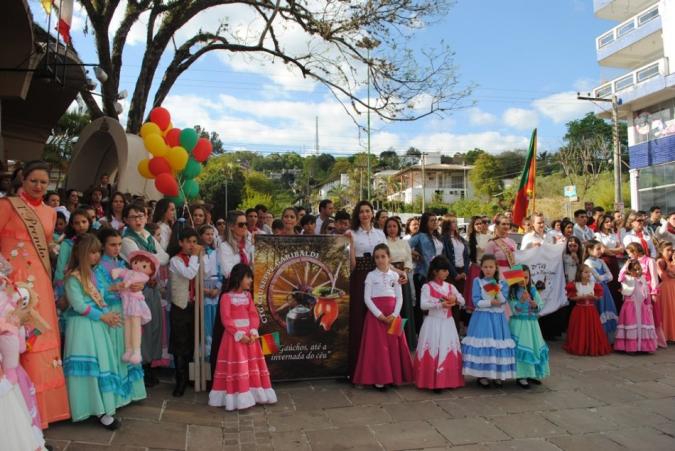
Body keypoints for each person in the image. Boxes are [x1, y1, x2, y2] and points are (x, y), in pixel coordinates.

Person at [1, 161, 71, 428]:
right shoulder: (7, 206)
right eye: (34, 181)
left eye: (44, 182)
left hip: (39, 282)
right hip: (12, 282)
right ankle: (14, 414)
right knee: (13, 337)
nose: (39, 186)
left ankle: (41, 413)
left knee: (39, 336)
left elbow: (46, 244)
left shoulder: (50, 212)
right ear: (23, 180)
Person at [63, 234, 124, 428]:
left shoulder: (94, 274)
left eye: (98, 252)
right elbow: (79, 305)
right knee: (89, 366)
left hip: (96, 325)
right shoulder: (72, 277)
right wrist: (103, 316)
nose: (97, 256)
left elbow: (101, 296)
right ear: (81, 253)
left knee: (101, 364)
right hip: (81, 327)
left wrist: (108, 314)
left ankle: (104, 408)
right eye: (92, 252)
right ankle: (90, 408)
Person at [209, 263, 277, 410]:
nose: (251, 280)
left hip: (250, 338)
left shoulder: (248, 296)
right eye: (248, 277)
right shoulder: (226, 297)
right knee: (238, 366)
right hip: (234, 339)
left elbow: (253, 315)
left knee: (250, 366)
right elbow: (226, 319)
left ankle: (253, 394)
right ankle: (236, 397)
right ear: (239, 278)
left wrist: (253, 331)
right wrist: (239, 335)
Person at [94, 228, 147, 407]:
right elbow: (97, 291)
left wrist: (138, 286)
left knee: (127, 345)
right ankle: (117, 396)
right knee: (115, 349)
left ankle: (131, 392)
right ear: (103, 245)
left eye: (119, 244)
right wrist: (115, 288)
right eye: (112, 245)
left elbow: (135, 280)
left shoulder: (122, 263)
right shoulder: (99, 266)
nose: (117, 248)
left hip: (126, 308)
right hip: (111, 310)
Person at [121, 203, 170, 387]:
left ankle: (149, 365)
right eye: (133, 217)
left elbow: (164, 257)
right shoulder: (127, 240)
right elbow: (141, 262)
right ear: (126, 220)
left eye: (141, 216)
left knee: (154, 325)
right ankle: (140, 368)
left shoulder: (148, 236)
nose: (138, 220)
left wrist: (151, 260)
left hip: (152, 287)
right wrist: (152, 259)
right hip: (137, 290)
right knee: (141, 328)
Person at [352, 243, 413, 390]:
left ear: (389, 258)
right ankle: (379, 379)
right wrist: (379, 315)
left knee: (395, 345)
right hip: (375, 317)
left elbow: (400, 297)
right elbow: (367, 298)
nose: (380, 260)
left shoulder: (395, 275)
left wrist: (395, 314)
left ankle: (394, 377)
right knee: (378, 347)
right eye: (377, 257)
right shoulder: (371, 276)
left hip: (394, 316)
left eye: (383, 256)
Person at [461, 254, 515, 388]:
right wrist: (490, 302)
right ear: (481, 268)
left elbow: (504, 301)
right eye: (485, 267)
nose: (488, 269)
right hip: (482, 318)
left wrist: (497, 291)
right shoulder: (477, 281)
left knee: (497, 345)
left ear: (496, 268)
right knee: (484, 344)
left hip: (498, 319)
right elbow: (476, 301)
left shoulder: (502, 283)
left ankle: (497, 374)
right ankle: (483, 374)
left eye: (491, 267)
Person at [345, 200, 386, 377]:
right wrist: (351, 244)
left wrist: (399, 273)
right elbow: (351, 264)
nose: (365, 214)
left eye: (367, 211)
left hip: (379, 277)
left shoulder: (380, 233)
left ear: (372, 213)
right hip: (359, 278)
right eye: (361, 211)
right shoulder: (351, 233)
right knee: (359, 318)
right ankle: (357, 368)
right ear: (357, 214)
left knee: (378, 317)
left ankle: (380, 366)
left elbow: (386, 260)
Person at [212, 211, 253, 379]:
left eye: (246, 224)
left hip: (246, 293)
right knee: (228, 332)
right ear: (231, 226)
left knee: (247, 330)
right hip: (231, 293)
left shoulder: (247, 244)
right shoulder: (224, 246)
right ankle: (226, 376)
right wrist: (246, 272)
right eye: (241, 224)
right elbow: (228, 271)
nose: (245, 227)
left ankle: (247, 374)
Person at [414, 256, 465, 392]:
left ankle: (447, 380)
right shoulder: (427, 286)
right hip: (433, 323)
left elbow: (462, 300)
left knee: (446, 348)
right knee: (434, 348)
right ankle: (433, 381)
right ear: (435, 271)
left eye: (447, 270)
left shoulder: (450, 286)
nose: (447, 273)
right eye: (444, 270)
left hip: (448, 323)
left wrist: (455, 298)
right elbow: (423, 305)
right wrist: (440, 304)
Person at [168, 227, 201, 397]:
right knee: (179, 343)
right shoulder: (175, 260)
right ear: (181, 243)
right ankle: (180, 380)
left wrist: (199, 257)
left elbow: (205, 273)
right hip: (179, 306)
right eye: (189, 242)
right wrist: (195, 256)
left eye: (195, 242)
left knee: (191, 342)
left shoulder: (196, 258)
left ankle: (189, 376)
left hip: (193, 306)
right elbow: (189, 274)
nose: (192, 245)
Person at [112, 251, 158, 364]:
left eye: (144, 266)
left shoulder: (142, 276)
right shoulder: (129, 271)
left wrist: (126, 283)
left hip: (135, 303)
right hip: (126, 302)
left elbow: (133, 280)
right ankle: (128, 350)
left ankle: (136, 351)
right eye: (136, 263)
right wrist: (116, 272)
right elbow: (122, 272)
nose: (138, 266)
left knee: (135, 327)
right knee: (127, 327)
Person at [507, 265, 549, 388]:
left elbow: (540, 305)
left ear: (529, 277)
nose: (523, 280)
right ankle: (521, 375)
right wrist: (521, 301)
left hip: (532, 325)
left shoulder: (532, 290)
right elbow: (514, 310)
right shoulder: (513, 292)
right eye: (520, 278)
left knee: (534, 348)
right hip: (519, 324)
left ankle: (531, 373)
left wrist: (535, 305)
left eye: (526, 277)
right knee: (523, 349)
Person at [623, 243, 667, 348]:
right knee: (638, 316)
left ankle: (654, 340)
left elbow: (654, 278)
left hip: (647, 292)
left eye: (630, 253)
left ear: (635, 251)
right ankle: (640, 339)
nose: (629, 255)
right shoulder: (632, 262)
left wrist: (654, 292)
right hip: (635, 292)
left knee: (651, 316)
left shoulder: (649, 261)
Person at [563, 264, 612, 356]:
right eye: (586, 272)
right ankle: (580, 346)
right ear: (580, 273)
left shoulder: (594, 285)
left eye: (589, 272)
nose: (588, 274)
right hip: (579, 310)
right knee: (580, 329)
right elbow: (572, 298)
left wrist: (593, 297)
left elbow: (598, 297)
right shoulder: (575, 284)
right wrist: (582, 297)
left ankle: (591, 346)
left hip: (591, 310)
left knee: (591, 329)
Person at [408, 213, 444, 332]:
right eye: (431, 220)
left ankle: (434, 330)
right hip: (423, 274)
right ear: (425, 222)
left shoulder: (437, 236)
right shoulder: (419, 236)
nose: (435, 222)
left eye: (435, 220)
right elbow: (405, 246)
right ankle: (420, 332)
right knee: (423, 305)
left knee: (436, 302)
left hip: (438, 274)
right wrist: (414, 253)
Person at [384, 217, 416, 349]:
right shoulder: (383, 243)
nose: (392, 229)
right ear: (385, 229)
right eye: (389, 226)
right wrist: (398, 272)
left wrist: (405, 272)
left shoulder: (404, 243)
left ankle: (407, 342)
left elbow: (408, 259)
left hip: (404, 278)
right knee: (394, 308)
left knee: (405, 308)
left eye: (394, 226)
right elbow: (385, 262)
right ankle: (394, 342)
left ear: (398, 228)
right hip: (390, 278)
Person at [614, 260, 657, 353]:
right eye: (634, 269)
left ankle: (643, 347)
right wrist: (626, 265)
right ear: (629, 270)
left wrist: (648, 304)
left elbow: (646, 292)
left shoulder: (642, 278)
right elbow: (620, 277)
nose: (637, 271)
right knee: (631, 325)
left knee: (642, 325)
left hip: (642, 306)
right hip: (630, 306)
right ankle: (631, 347)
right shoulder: (626, 278)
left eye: (638, 269)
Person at [584, 240, 619, 343]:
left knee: (607, 308)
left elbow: (611, 276)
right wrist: (603, 277)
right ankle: (598, 339)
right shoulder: (588, 262)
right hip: (594, 290)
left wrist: (602, 277)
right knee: (598, 310)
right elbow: (597, 278)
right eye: (598, 249)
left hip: (604, 289)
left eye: (601, 248)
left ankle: (607, 339)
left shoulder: (601, 261)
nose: (600, 251)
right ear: (589, 250)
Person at [199, 224, 222, 360]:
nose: (210, 236)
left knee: (215, 323)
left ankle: (215, 354)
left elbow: (221, 272)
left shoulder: (216, 252)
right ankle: (206, 356)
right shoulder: (197, 253)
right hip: (203, 289)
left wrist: (217, 288)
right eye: (207, 234)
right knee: (205, 324)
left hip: (215, 290)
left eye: (211, 234)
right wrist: (204, 289)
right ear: (201, 236)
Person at [594, 214, 624, 308]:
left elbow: (621, 249)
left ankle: (617, 307)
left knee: (616, 283)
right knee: (608, 284)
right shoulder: (598, 235)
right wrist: (615, 251)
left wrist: (611, 251)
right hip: (604, 261)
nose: (609, 223)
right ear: (601, 223)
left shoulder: (613, 235)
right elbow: (603, 250)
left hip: (614, 261)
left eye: (610, 221)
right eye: (606, 222)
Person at [465, 216, 492, 312]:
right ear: (472, 225)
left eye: (481, 223)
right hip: (474, 267)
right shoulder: (468, 238)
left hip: (486, 268)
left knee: (485, 290)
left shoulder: (489, 237)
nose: (480, 225)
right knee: (474, 290)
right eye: (477, 224)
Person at [656, 241, 675, 342]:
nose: (670, 252)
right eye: (668, 250)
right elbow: (663, 275)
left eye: (671, 250)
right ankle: (667, 335)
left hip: (672, 288)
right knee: (668, 312)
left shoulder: (671, 261)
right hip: (666, 289)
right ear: (661, 250)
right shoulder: (661, 261)